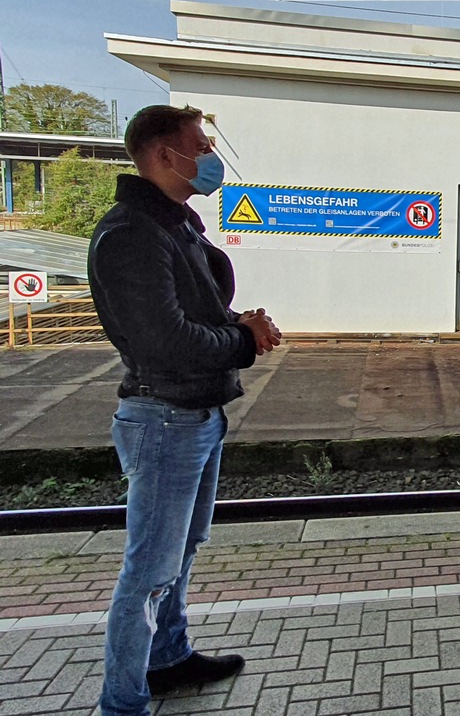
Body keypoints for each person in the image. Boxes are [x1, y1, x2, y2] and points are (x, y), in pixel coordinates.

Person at [89, 104, 282, 716]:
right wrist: (243, 341)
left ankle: (168, 657)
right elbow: (163, 341)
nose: (209, 156)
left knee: (182, 548)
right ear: (165, 156)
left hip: (195, 413)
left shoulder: (172, 224)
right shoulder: (132, 234)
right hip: (165, 417)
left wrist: (236, 322)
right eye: (200, 145)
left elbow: (192, 313)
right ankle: (121, 704)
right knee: (147, 569)